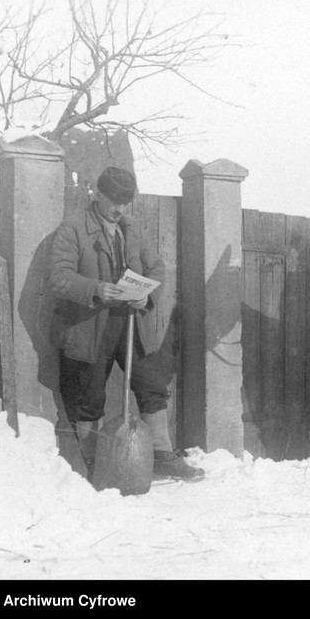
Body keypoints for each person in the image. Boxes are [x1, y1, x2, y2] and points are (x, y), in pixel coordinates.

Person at [49, 166, 204, 482]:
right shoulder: (73, 228)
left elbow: (157, 270)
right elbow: (59, 278)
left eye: (125, 202)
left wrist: (145, 297)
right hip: (90, 326)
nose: (119, 209)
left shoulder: (132, 229)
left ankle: (162, 456)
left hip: (133, 323)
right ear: (97, 194)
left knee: (152, 386)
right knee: (87, 395)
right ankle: (93, 462)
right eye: (113, 201)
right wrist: (94, 288)